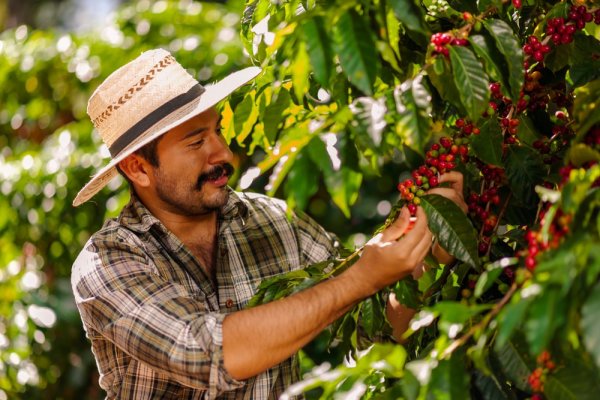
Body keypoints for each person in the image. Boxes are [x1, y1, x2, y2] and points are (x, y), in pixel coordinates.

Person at [71, 49, 466, 399]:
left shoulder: (274, 220)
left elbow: (370, 329)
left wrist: (429, 257)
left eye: (218, 131)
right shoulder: (107, 262)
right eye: (195, 142)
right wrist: (363, 276)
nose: (222, 153)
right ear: (138, 168)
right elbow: (208, 354)